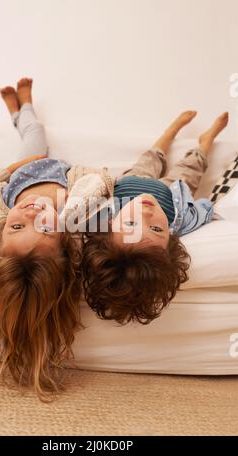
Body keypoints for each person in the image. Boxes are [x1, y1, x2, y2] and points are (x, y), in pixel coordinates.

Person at [0, 78, 113, 401]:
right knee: (37, 136)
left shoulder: (0, 207)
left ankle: (20, 111)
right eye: (46, 229)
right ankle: (25, 107)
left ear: (1, 231)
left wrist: (8, 170)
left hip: (22, 166)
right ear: (65, 237)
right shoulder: (72, 206)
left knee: (33, 139)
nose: (32, 215)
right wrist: (70, 204)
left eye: (17, 228)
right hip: (51, 167)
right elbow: (102, 178)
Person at [81, 111, 229, 325]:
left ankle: (170, 133)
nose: (146, 214)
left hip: (133, 180)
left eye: (131, 224)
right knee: (191, 169)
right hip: (171, 191)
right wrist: (209, 209)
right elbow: (203, 210)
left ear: (110, 225)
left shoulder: (99, 214)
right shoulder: (179, 220)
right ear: (170, 235)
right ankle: (205, 142)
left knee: (151, 158)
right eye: (156, 229)